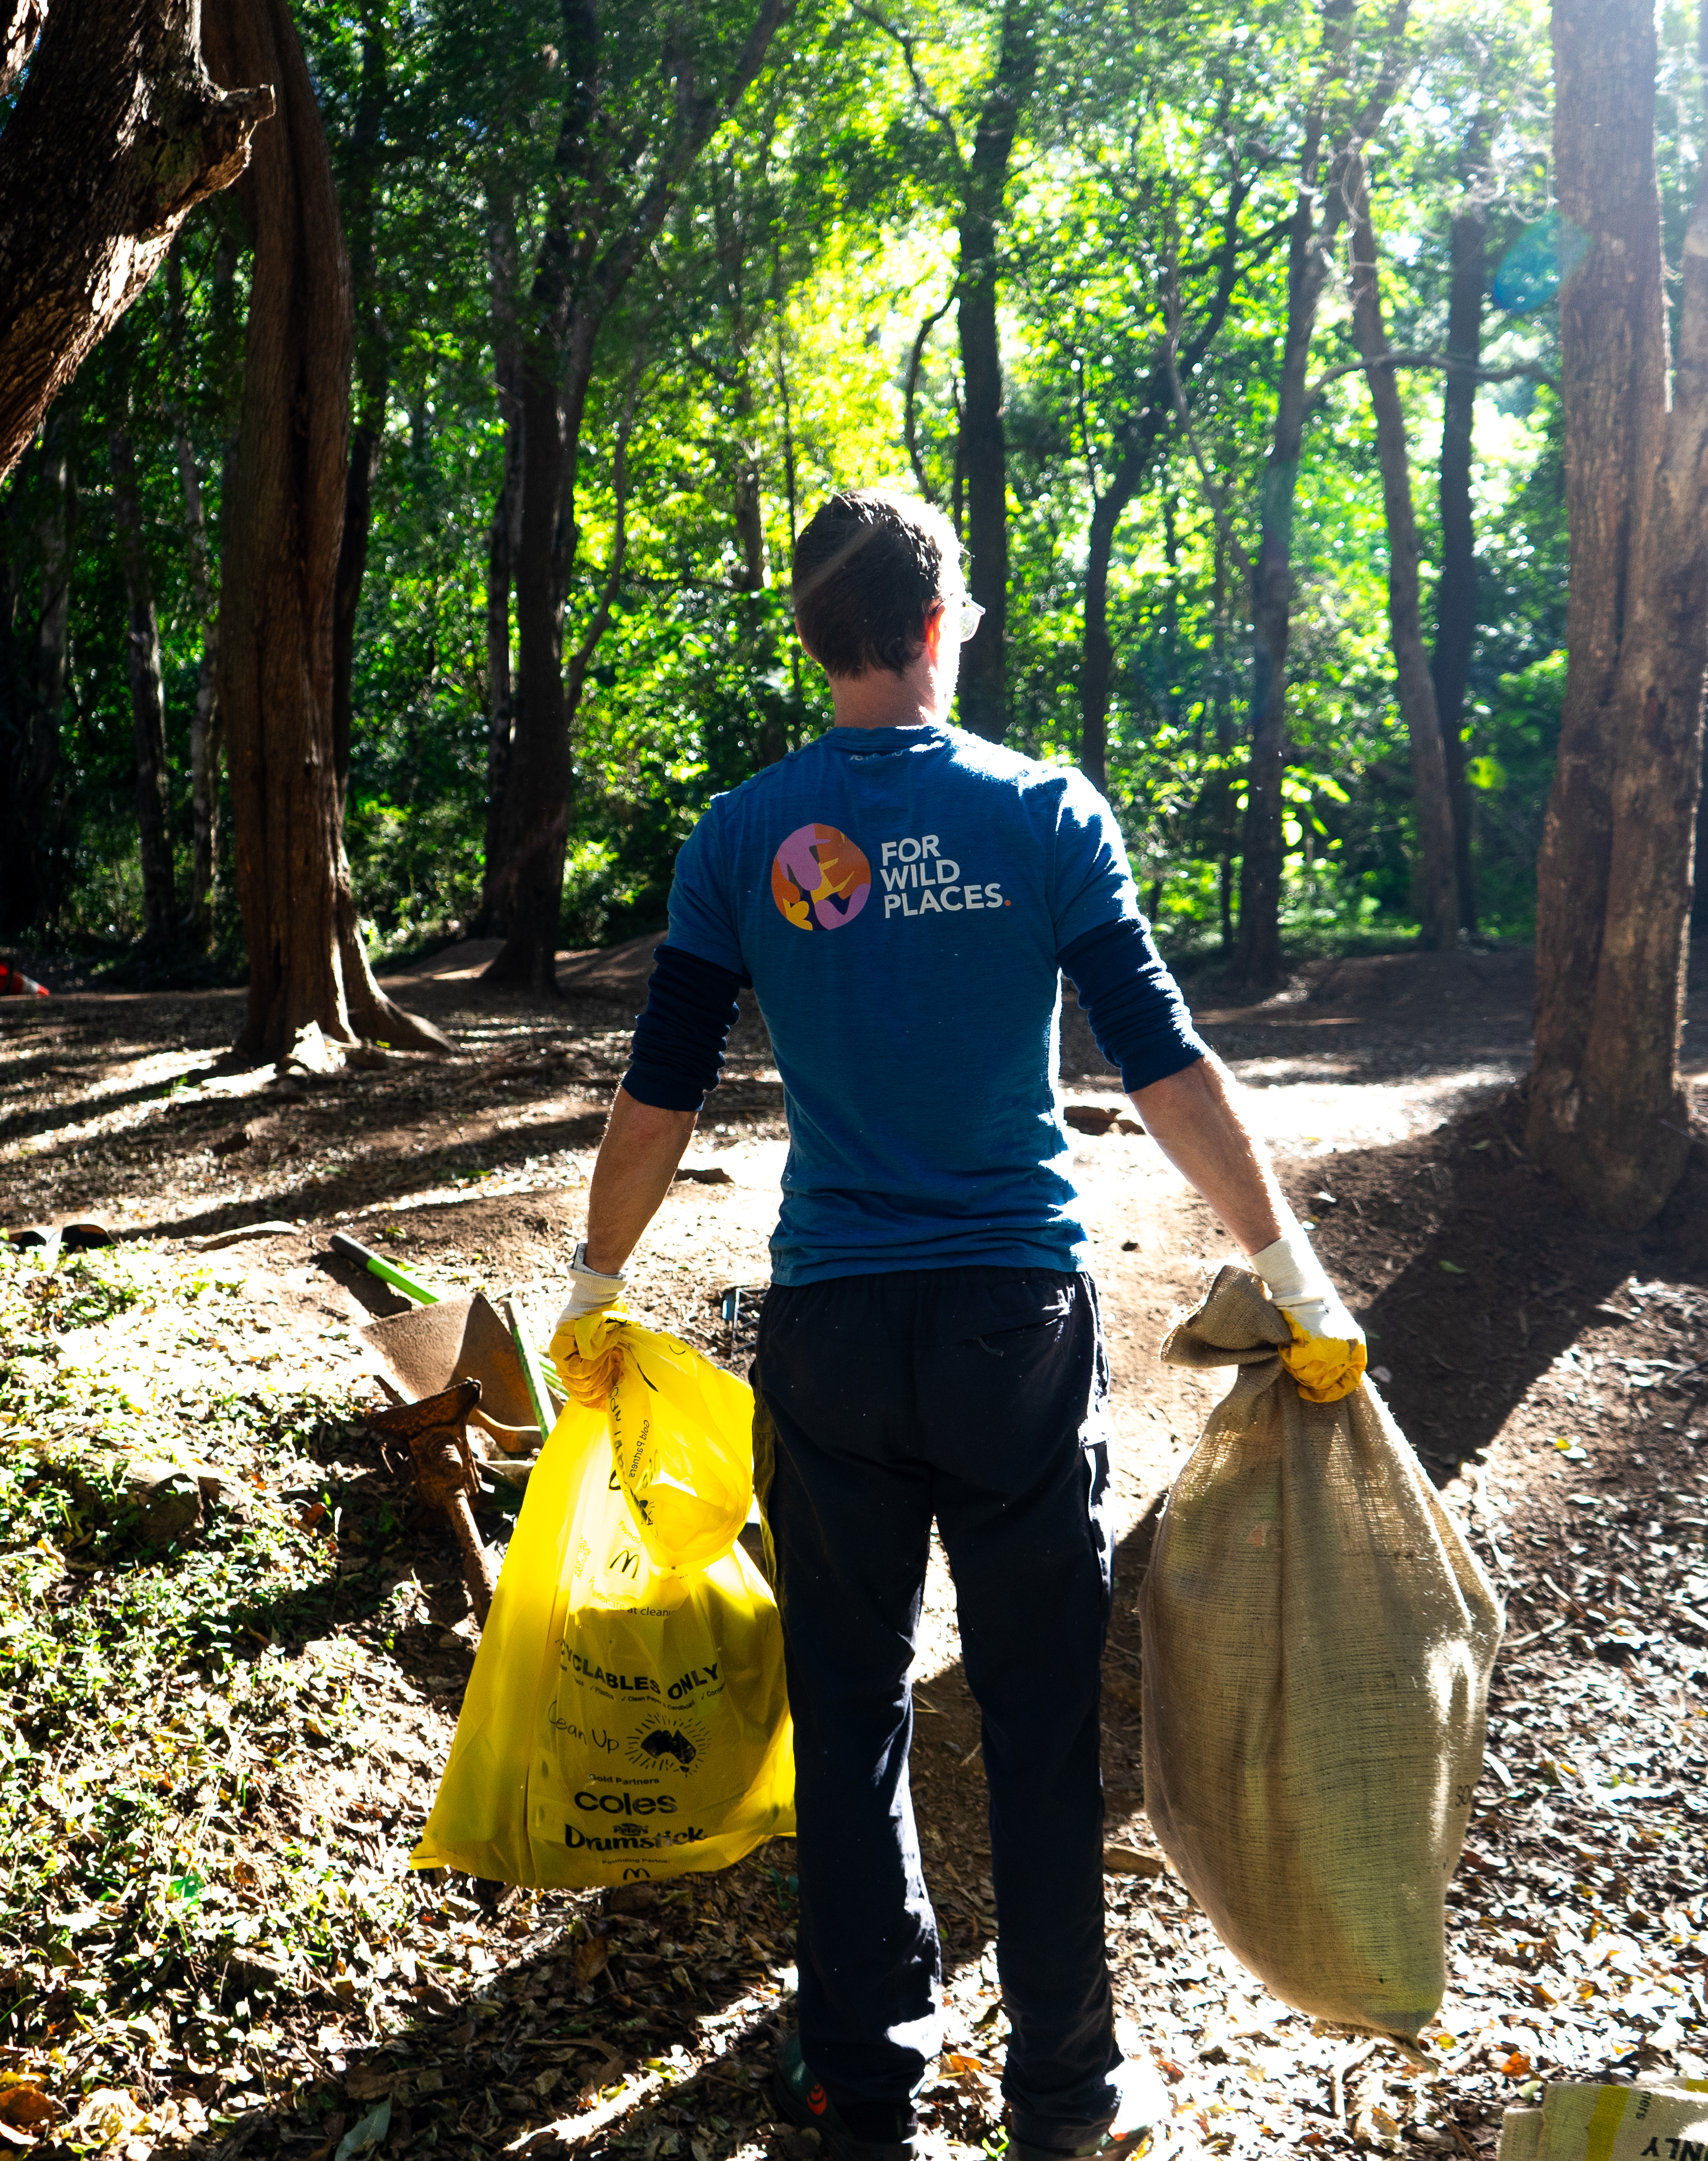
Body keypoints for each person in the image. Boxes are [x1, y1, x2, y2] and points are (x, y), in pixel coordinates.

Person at [551, 489, 1364, 2161]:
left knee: (850, 1709)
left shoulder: (741, 835)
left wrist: (595, 1280)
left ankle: (862, 2085)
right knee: (1043, 1705)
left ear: (817, 633)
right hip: (1014, 1322)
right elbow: (1165, 1062)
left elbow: (660, 1093)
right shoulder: (1045, 813)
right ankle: (1066, 2093)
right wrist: (1294, 1272)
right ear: (940, 627)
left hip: (835, 1330)